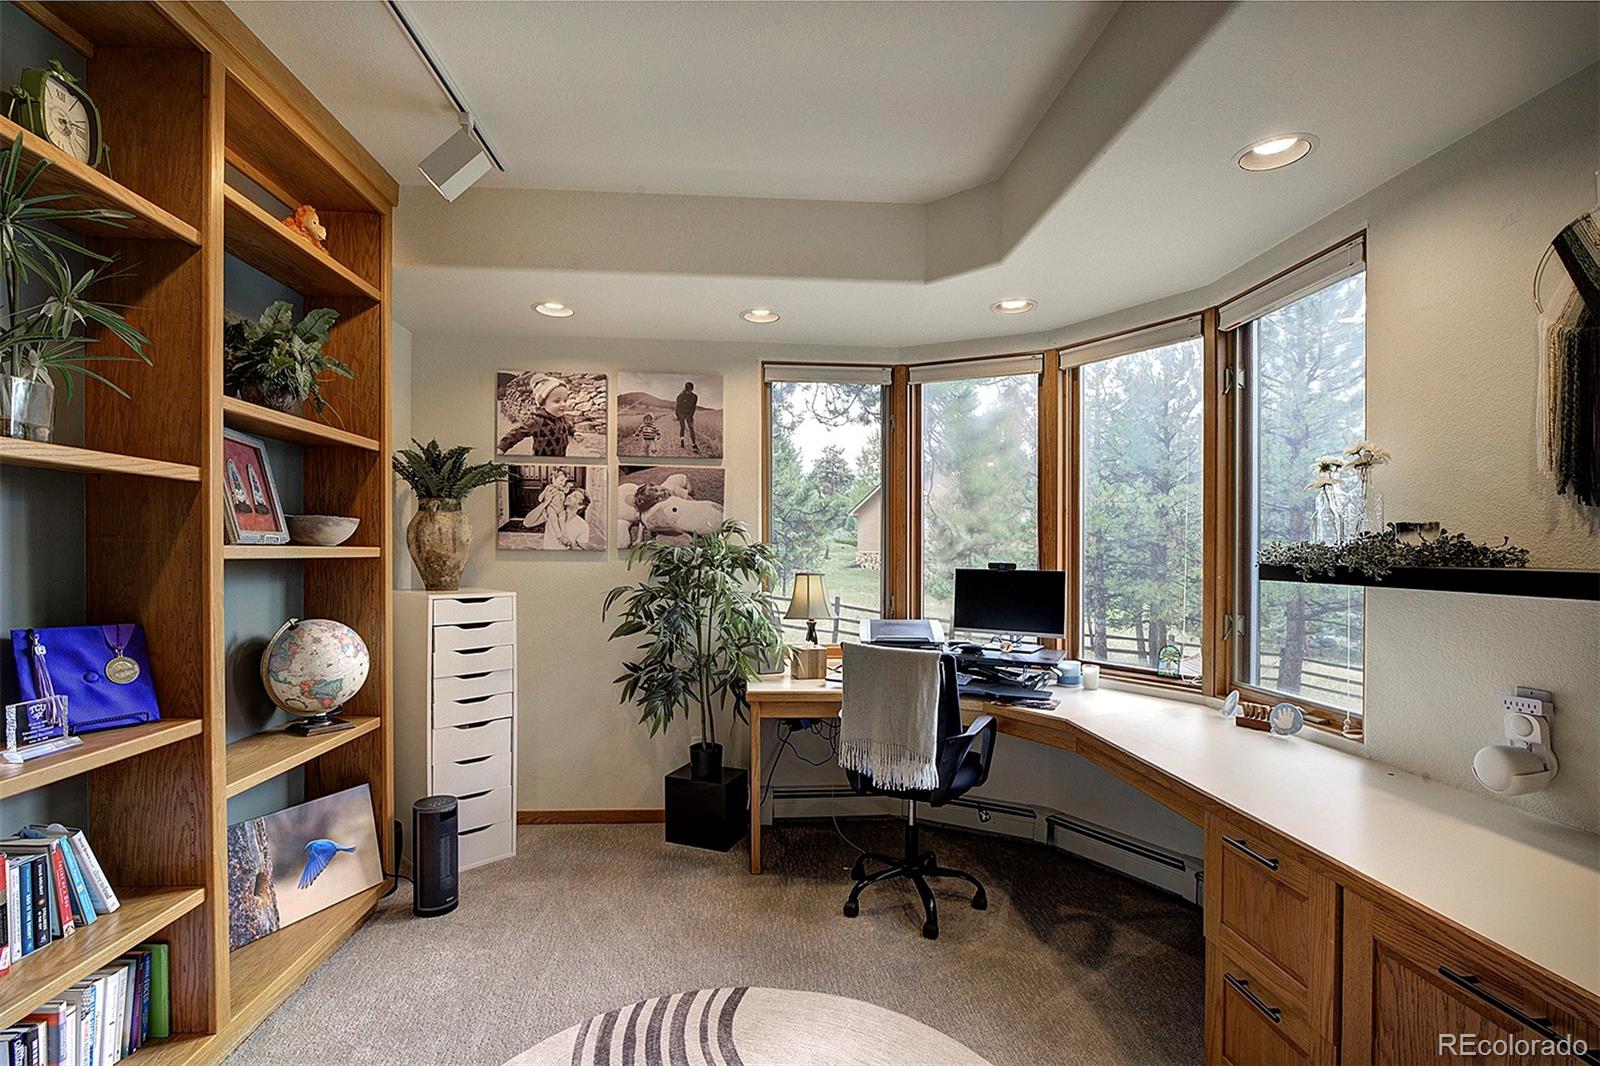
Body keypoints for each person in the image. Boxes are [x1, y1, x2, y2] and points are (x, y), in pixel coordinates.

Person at [498, 376, 575, 455]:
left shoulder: (561, 418)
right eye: (557, 401)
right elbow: (517, 433)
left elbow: (567, 426)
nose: (563, 404)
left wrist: (574, 433)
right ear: (543, 404)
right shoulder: (537, 420)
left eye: (565, 400)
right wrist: (502, 447)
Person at [674, 381, 699, 454]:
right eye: (688, 390)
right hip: (681, 413)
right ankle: (682, 440)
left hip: (689, 414)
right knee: (683, 428)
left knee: (691, 428)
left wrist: (691, 416)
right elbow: (677, 407)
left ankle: (694, 444)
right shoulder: (680, 396)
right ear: (685, 389)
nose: (689, 392)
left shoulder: (695, 397)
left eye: (690, 390)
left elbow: (694, 407)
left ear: (692, 389)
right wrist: (678, 416)